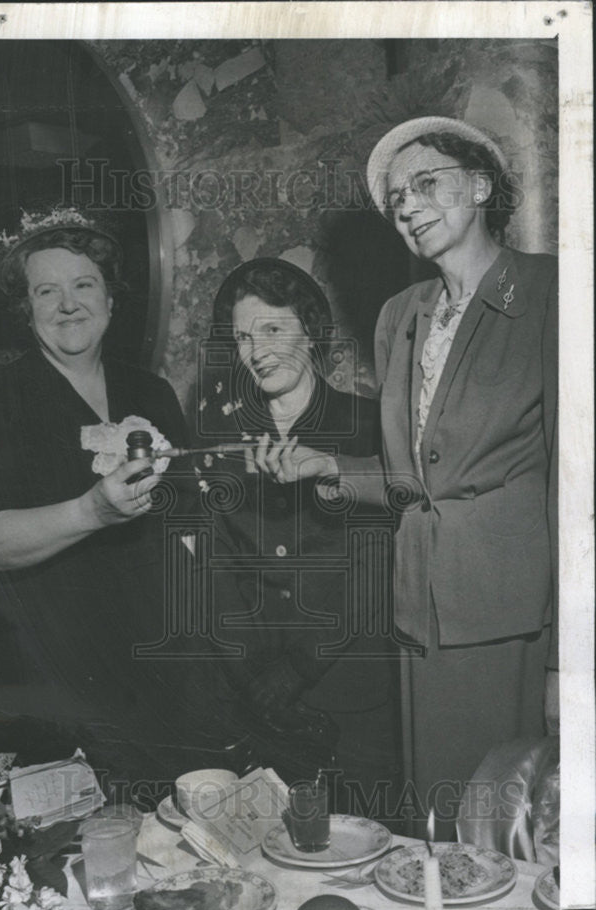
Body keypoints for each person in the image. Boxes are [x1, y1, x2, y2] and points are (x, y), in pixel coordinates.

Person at [252, 119, 558, 838]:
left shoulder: (550, 291)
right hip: (416, 601)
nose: (409, 207)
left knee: (502, 824)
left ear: (480, 186)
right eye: (396, 200)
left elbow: (581, 485)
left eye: (427, 184)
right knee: (434, 813)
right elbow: (409, 476)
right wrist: (327, 468)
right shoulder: (402, 315)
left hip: (509, 610)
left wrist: (575, 657)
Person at [183, 258, 403, 820]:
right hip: (258, 702)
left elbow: (375, 564)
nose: (257, 351)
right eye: (242, 337)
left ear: (313, 334)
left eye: (273, 329)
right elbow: (218, 564)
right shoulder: (223, 445)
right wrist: (253, 674)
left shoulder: (370, 427)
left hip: (351, 696)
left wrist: (299, 668)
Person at [0, 207, 196, 800]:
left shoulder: (149, 391)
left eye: (83, 285)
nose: (68, 304)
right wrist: (91, 512)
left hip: (157, 662)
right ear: (25, 309)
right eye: (46, 291)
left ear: (111, 298)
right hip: (50, 670)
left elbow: (185, 524)